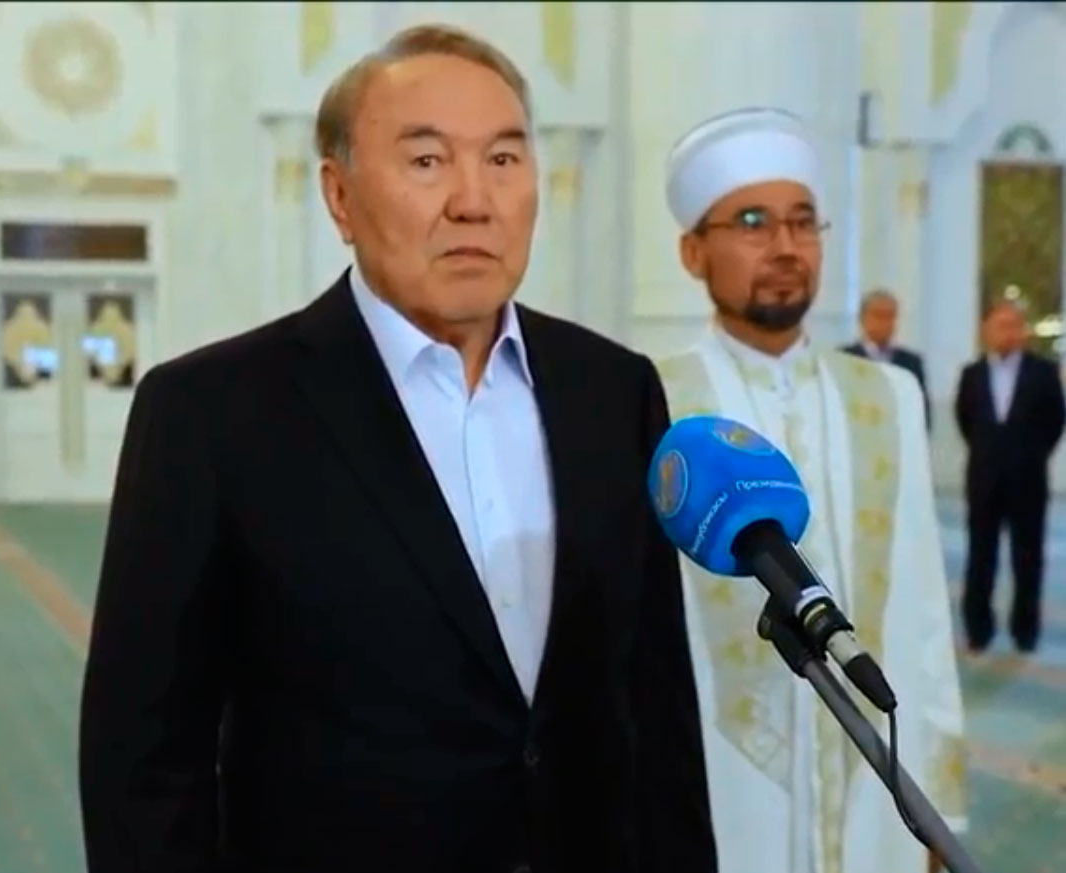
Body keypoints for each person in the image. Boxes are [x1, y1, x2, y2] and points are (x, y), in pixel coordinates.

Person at [78, 23, 717, 873]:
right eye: (426, 160)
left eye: (503, 158)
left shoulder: (612, 392)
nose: (474, 200)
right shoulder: (211, 413)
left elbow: (656, 705)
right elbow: (143, 756)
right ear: (339, 196)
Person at [652, 107, 966, 873]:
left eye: (802, 222)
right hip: (717, 782)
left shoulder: (887, 395)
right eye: (752, 222)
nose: (786, 246)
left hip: (875, 788)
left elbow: (924, 606)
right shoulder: (653, 397)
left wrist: (943, 806)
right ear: (693, 251)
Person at [954, 298, 1065, 654]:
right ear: (986, 330)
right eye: (1000, 325)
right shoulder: (972, 373)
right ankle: (978, 629)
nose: (1007, 333)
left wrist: (1030, 456)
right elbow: (965, 420)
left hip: (1029, 480)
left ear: (1023, 332)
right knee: (980, 555)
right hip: (983, 479)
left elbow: (1056, 421)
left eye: (1013, 325)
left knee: (1027, 557)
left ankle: (1025, 631)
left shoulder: (1043, 372)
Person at [841, 288, 931, 428]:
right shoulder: (843, 359)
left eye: (890, 316)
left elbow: (922, 413)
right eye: (878, 315)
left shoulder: (912, 363)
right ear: (862, 319)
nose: (884, 322)